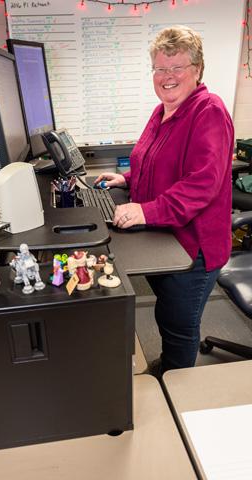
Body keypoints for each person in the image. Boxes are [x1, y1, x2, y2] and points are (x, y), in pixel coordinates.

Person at [94, 25, 234, 376]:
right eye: (160, 68)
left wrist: (146, 210)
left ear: (197, 70)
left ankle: (177, 384)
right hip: (166, 238)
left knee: (179, 325)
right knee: (166, 313)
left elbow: (201, 183)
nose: (167, 77)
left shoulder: (209, 111)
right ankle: (168, 368)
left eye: (177, 68)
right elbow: (155, 163)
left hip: (193, 249)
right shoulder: (162, 112)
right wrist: (125, 179)